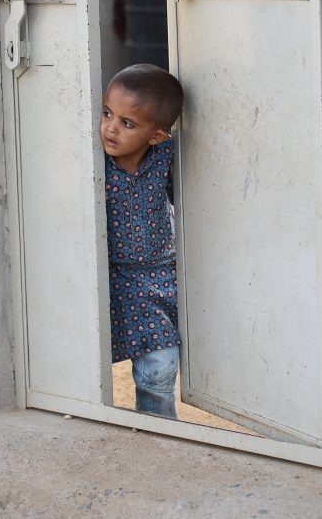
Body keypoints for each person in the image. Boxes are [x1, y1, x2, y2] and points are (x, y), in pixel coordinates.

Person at [100, 63, 184, 418]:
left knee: (161, 364)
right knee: (146, 360)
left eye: (127, 123)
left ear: (156, 136)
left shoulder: (164, 156)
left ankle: (159, 427)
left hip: (163, 275)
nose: (110, 128)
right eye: (107, 114)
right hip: (116, 278)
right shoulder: (94, 163)